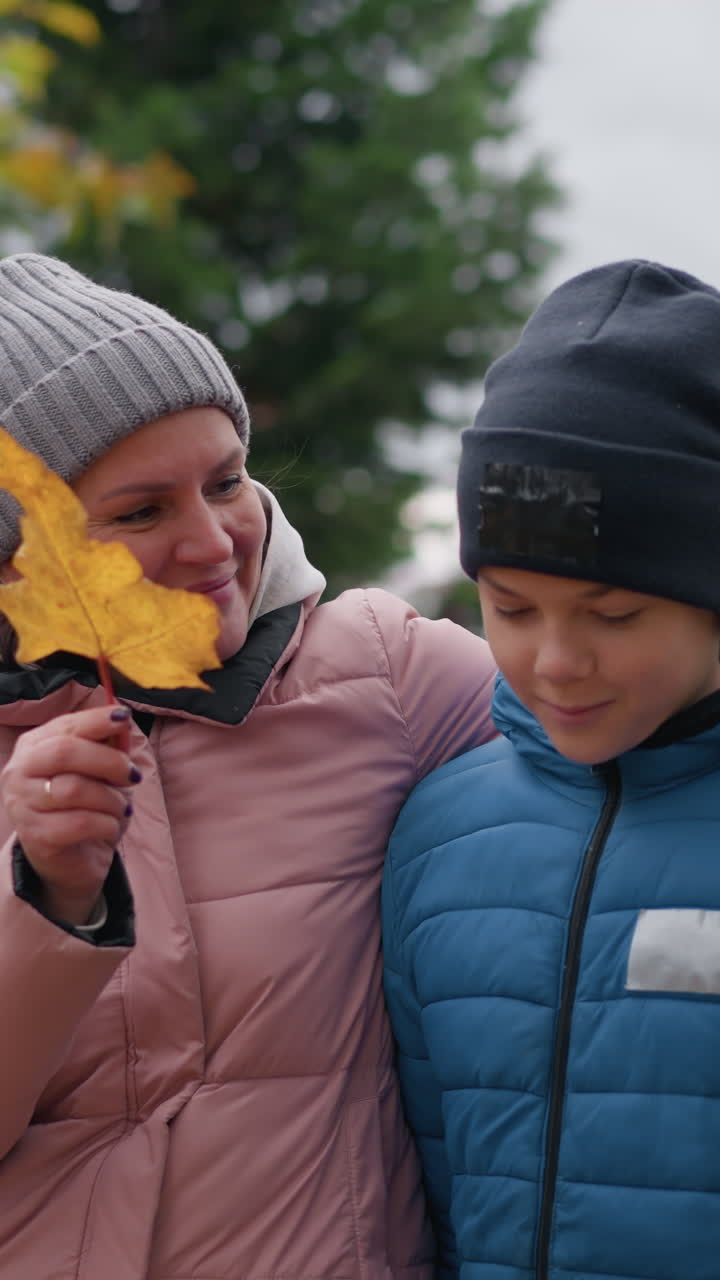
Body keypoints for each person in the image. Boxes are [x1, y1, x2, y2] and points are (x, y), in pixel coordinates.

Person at [0, 252, 497, 1279]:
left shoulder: (388, 673)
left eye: (224, 480)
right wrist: (42, 897)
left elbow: (644, 745)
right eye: (140, 511)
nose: (212, 541)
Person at [382, 259, 720, 1280]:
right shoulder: (438, 831)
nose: (556, 662)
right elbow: (432, 1181)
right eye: (512, 607)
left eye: (615, 614)